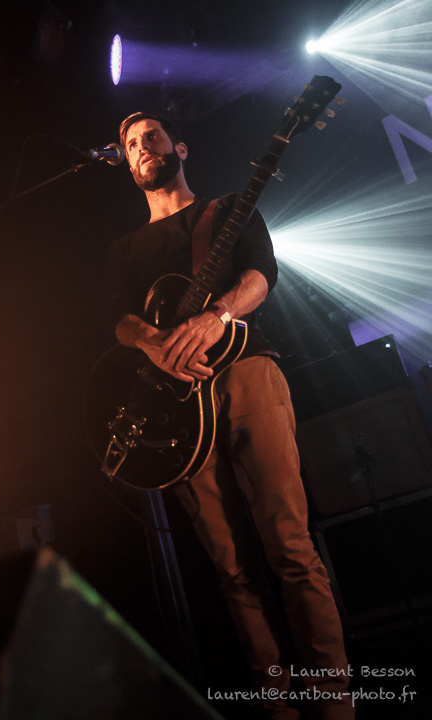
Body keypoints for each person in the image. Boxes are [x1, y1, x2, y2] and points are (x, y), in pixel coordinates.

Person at [105, 111, 355, 720]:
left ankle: (335, 704)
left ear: (180, 147)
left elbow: (261, 275)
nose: (143, 147)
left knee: (290, 546)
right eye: (131, 144)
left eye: (153, 136)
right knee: (232, 569)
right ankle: (277, 710)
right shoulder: (123, 250)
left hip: (245, 371)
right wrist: (151, 341)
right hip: (177, 405)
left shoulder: (227, 211)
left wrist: (215, 316)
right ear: (126, 164)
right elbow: (118, 320)